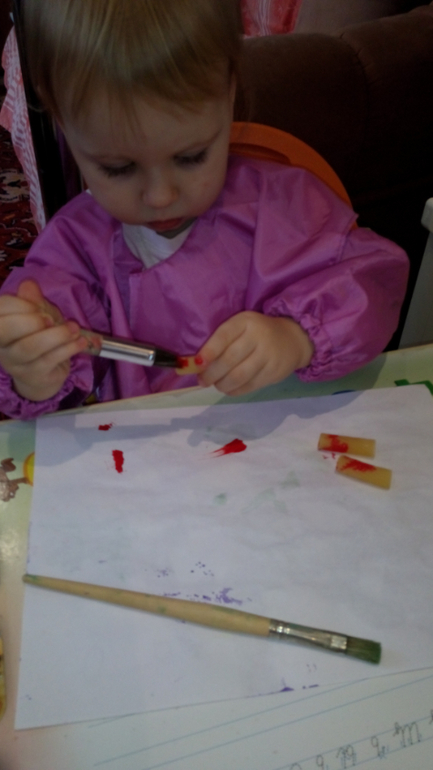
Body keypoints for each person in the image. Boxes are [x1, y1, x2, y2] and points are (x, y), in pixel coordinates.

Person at [0, 0, 408, 419]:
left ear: (229, 95)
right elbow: (45, 363)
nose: (160, 196)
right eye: (118, 168)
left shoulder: (287, 208)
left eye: (191, 157)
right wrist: (35, 370)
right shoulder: (74, 250)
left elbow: (374, 286)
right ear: (62, 123)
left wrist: (297, 337)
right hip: (148, 452)